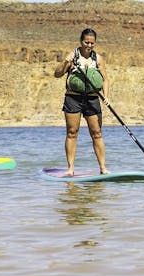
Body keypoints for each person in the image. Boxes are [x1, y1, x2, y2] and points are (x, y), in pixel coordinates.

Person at [54, 28, 111, 176]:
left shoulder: (98, 58)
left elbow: (105, 79)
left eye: (92, 43)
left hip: (92, 98)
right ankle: (70, 169)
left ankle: (103, 168)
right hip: (73, 98)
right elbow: (57, 74)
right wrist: (67, 62)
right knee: (72, 133)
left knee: (97, 133)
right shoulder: (73, 56)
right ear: (81, 41)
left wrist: (106, 96)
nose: (89, 45)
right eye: (86, 42)